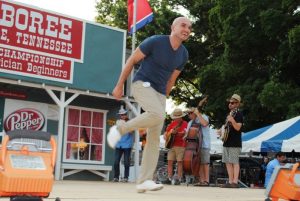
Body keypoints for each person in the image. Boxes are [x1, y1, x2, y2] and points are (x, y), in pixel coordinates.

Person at [107, 16, 192, 193]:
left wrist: (164, 98)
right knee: (158, 116)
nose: (187, 29)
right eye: (183, 25)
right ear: (173, 27)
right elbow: (131, 61)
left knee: (154, 136)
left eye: (189, 28)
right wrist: (119, 85)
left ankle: (144, 180)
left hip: (160, 93)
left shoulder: (183, 54)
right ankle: (120, 129)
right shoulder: (155, 42)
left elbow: (172, 79)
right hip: (142, 84)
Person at [217, 94, 243, 188]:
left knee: (235, 162)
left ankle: (235, 182)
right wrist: (221, 131)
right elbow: (226, 127)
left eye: (232, 103)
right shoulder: (230, 114)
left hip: (235, 142)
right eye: (230, 102)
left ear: (237, 104)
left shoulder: (239, 114)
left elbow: (238, 127)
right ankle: (230, 181)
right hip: (227, 141)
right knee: (228, 162)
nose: (230, 104)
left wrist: (232, 120)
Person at [186, 107, 210, 186]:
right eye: (188, 113)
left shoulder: (203, 117)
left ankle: (206, 181)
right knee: (198, 163)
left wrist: (198, 114)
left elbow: (205, 124)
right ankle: (201, 180)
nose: (188, 115)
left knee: (205, 163)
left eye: (190, 113)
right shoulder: (190, 123)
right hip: (195, 146)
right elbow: (187, 135)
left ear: (194, 112)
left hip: (204, 144)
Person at [163, 108, 188, 184]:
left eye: (177, 117)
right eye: (175, 117)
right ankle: (169, 178)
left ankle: (179, 179)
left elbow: (185, 133)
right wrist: (167, 134)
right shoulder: (172, 124)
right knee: (169, 161)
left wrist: (176, 133)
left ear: (181, 117)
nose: (176, 119)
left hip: (181, 145)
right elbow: (166, 134)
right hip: (171, 145)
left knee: (179, 162)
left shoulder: (185, 123)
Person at [113, 108, 134, 183]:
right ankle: (116, 177)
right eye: (121, 115)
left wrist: (125, 126)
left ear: (126, 115)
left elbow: (132, 132)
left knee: (126, 162)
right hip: (118, 144)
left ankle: (126, 177)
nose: (122, 116)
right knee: (116, 162)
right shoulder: (118, 122)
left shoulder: (130, 122)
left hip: (127, 145)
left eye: (124, 114)